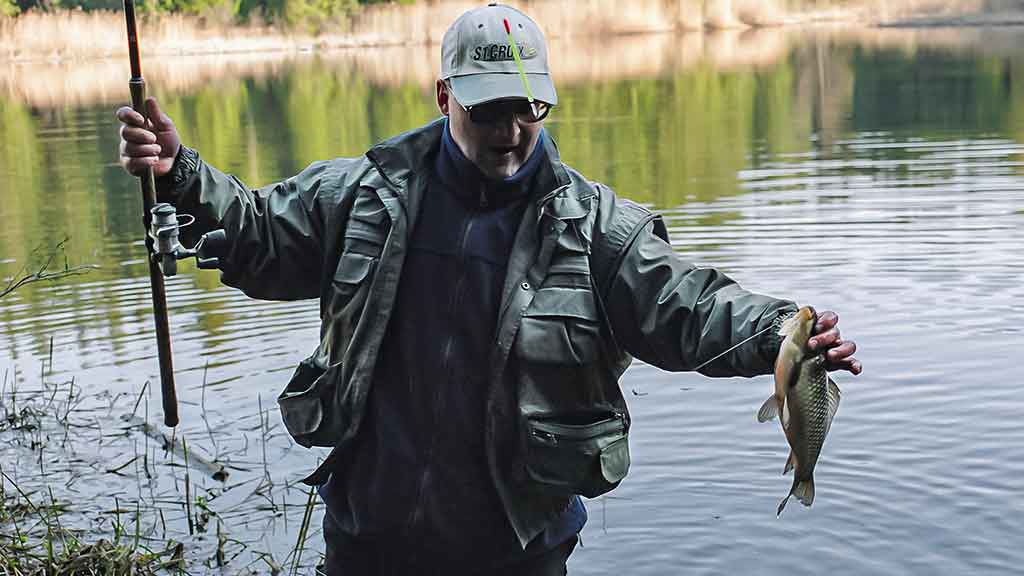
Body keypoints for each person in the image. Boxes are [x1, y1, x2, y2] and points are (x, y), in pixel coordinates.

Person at [117, 3, 861, 574]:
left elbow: (690, 306)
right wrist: (182, 172)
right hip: (370, 539)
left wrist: (787, 335)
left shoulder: (595, 228)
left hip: (517, 549)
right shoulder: (361, 194)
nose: (511, 131)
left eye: (528, 108)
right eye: (489, 109)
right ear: (443, 95)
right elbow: (257, 234)